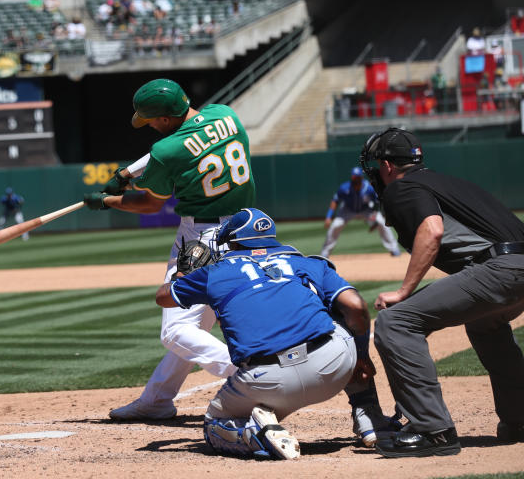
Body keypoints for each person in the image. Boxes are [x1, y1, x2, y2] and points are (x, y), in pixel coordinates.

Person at [82, 78, 253, 421]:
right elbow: (188, 140)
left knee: (175, 331)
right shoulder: (225, 114)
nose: (150, 128)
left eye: (151, 122)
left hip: (201, 240)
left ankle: (247, 375)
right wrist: (127, 172)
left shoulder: (165, 151)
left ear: (162, 120)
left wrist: (108, 201)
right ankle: (157, 399)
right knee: (196, 327)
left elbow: (147, 203)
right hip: (246, 230)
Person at [155, 208, 378, 460]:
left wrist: (183, 275)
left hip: (268, 383)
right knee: (338, 311)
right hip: (334, 368)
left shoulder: (214, 274)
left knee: (215, 426)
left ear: (234, 242)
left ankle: (255, 435)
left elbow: (163, 297)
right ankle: (370, 418)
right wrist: (361, 357)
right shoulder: (307, 262)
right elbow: (357, 307)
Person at [361, 127, 524, 456]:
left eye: (377, 166)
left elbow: (432, 230)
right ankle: (519, 419)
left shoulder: (402, 187)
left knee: (395, 323)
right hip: (515, 266)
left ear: (388, 166)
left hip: (500, 271)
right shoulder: (447, 181)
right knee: (484, 324)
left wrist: (405, 291)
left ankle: (431, 429)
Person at [321, 167, 401, 258]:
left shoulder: (369, 188)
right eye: (354, 177)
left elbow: (377, 202)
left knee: (382, 223)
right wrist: (328, 216)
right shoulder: (344, 188)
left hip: (366, 210)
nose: (356, 179)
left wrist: (374, 218)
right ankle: (325, 253)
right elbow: (335, 201)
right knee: (335, 226)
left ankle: (394, 249)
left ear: (361, 178)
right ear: (352, 177)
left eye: (358, 177)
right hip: (347, 210)